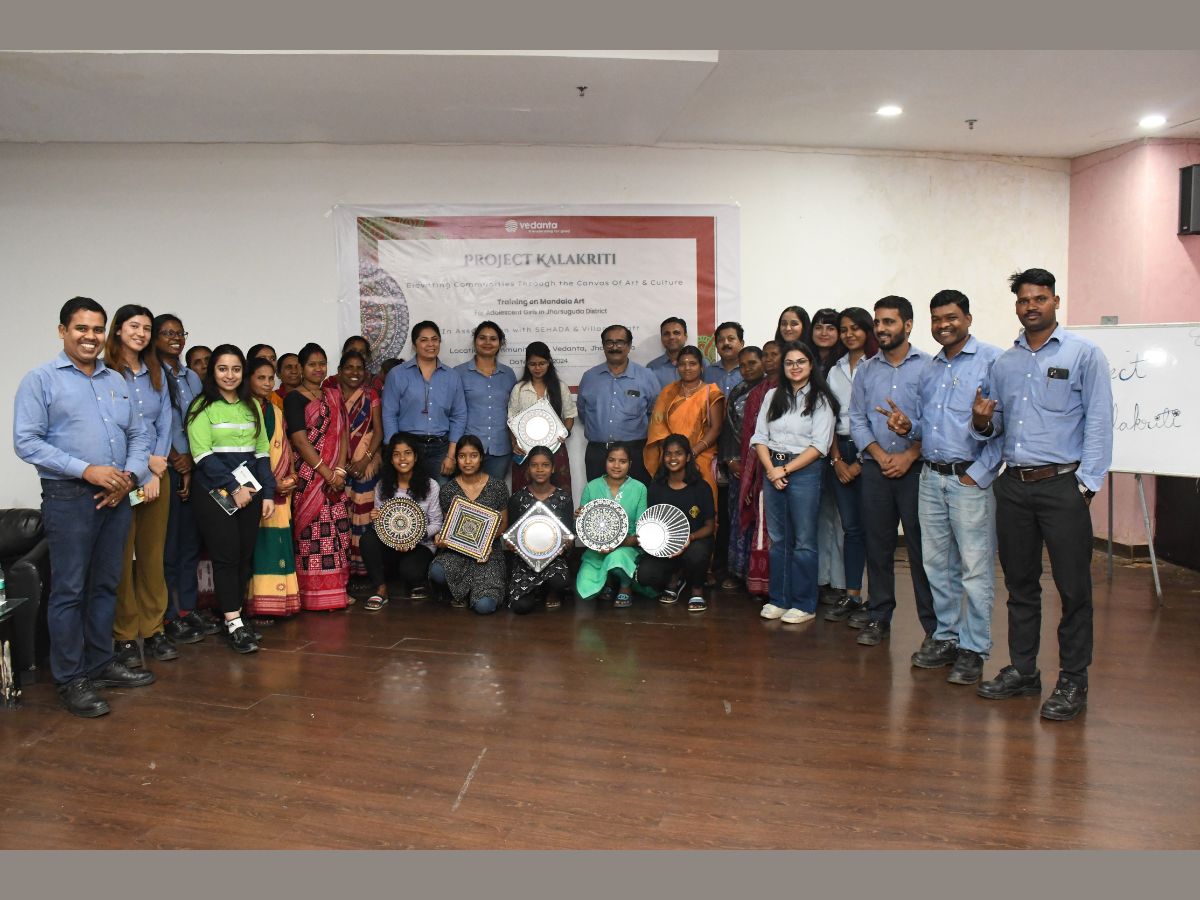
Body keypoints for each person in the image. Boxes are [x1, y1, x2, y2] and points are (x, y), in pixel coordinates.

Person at [974, 268, 1112, 721]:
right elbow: (994, 426)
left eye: (1039, 298)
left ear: (1056, 301)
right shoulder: (1004, 363)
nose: (1031, 306)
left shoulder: (1084, 354)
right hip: (1013, 486)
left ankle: (1073, 679)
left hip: (1062, 486)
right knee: (1020, 585)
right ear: (1016, 306)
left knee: (1073, 589)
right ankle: (1023, 670)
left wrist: (1087, 484)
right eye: (1023, 300)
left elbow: (1099, 420)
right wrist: (980, 423)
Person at [13, 297, 156, 717]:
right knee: (70, 591)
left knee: (106, 584)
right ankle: (71, 678)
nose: (90, 337)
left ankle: (100, 663)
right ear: (63, 331)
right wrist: (87, 470)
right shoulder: (41, 380)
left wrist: (129, 477)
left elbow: (140, 436)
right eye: (81, 328)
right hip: (69, 497)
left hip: (117, 496)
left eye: (97, 329)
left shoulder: (116, 380)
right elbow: (27, 441)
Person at [877, 290, 1004, 684]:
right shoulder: (931, 369)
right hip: (930, 478)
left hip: (969, 480)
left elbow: (1003, 427)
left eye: (951, 317)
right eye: (937, 319)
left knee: (974, 570)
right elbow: (928, 427)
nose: (943, 325)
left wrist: (980, 473)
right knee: (936, 565)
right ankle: (946, 637)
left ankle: (974, 648)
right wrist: (907, 428)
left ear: (968, 319)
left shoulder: (992, 361)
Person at [848, 296, 934, 648]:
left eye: (889, 322)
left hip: (917, 471)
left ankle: (933, 630)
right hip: (875, 470)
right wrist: (880, 454)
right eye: (878, 322)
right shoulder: (866, 370)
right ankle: (879, 616)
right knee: (878, 547)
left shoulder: (929, 367)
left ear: (908, 325)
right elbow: (857, 418)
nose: (881, 329)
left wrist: (910, 454)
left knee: (921, 550)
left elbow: (936, 420)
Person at [185, 344, 275, 654]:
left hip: (251, 492)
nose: (229, 375)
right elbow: (202, 454)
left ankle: (234, 616)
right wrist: (233, 487)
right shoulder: (201, 407)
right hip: (214, 492)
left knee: (243, 556)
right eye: (222, 369)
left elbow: (262, 452)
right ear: (213, 372)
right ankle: (234, 622)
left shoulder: (252, 406)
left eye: (235, 369)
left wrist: (267, 493)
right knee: (225, 556)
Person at [104, 305, 177, 667]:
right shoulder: (103, 373)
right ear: (118, 329)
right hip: (122, 477)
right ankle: (124, 636)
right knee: (121, 558)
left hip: (157, 476)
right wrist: (145, 465)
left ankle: (154, 629)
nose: (141, 333)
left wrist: (157, 469)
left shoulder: (156, 371)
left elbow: (165, 421)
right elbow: (110, 427)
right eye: (134, 326)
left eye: (147, 328)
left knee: (151, 556)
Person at [752, 342, 837, 624]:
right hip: (772, 468)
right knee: (779, 540)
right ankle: (779, 599)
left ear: (811, 365)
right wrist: (772, 471)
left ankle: (804, 604)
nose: (795, 367)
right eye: (789, 362)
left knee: (804, 542)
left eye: (801, 361)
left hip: (805, 470)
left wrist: (784, 470)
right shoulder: (772, 396)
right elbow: (759, 437)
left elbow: (820, 446)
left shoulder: (821, 399)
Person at [153, 314, 215, 643]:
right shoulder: (149, 373)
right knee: (166, 547)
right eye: (167, 333)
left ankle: (187, 609)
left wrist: (191, 461)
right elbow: (153, 423)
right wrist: (177, 457)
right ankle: (166, 615)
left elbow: (200, 421)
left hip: (195, 466)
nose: (175, 338)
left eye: (180, 333)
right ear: (154, 337)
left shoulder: (191, 377)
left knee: (190, 544)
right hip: (165, 468)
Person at [284, 343, 352, 611]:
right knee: (312, 535)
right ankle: (313, 594)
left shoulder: (333, 395)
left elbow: (342, 434)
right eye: (312, 364)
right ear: (301, 368)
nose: (318, 369)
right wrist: (326, 473)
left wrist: (340, 471)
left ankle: (337, 591)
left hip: (335, 475)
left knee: (338, 533)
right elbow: (300, 441)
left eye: (322, 364)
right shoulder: (294, 398)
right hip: (309, 476)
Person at [822, 308, 877, 624]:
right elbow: (828, 418)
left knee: (876, 530)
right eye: (844, 329)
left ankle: (877, 601)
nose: (849, 334)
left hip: (872, 451)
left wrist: (860, 463)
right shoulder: (835, 369)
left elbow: (877, 419)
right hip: (840, 450)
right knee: (851, 529)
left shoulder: (878, 364)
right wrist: (837, 460)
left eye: (856, 328)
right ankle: (853, 594)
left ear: (868, 330)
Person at [245, 356, 301, 619]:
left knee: (279, 543)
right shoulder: (243, 409)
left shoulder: (276, 411)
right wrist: (270, 483)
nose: (267, 383)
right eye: (261, 378)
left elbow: (285, 447)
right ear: (248, 379)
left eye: (270, 378)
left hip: (280, 489)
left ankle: (281, 603)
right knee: (260, 546)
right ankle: (260, 605)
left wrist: (290, 477)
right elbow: (247, 454)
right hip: (255, 489)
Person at [362, 432, 443, 611]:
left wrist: (414, 536)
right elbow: (380, 527)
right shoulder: (382, 486)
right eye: (396, 454)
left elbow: (437, 523)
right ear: (391, 460)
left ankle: (416, 581)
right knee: (367, 539)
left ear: (416, 457)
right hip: (391, 545)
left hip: (420, 545)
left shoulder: (431, 485)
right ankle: (381, 589)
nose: (402, 459)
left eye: (407, 453)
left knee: (410, 571)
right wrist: (376, 519)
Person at [635, 434, 716, 612]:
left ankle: (697, 589)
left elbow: (710, 527)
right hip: (665, 546)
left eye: (678, 453)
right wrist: (646, 539)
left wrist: (689, 538)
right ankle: (675, 578)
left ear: (687, 457)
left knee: (697, 554)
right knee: (645, 575)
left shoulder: (701, 487)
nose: (673, 458)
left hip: (694, 542)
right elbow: (652, 523)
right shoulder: (656, 487)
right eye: (668, 454)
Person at [430, 435, 509, 614]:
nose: (467, 461)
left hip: (488, 552)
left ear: (481, 457)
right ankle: (462, 593)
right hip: (457, 551)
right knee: (437, 572)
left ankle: (473, 594)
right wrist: (442, 539)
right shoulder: (448, 490)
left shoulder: (498, 486)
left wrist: (483, 543)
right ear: (456, 459)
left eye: (473, 456)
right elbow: (448, 527)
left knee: (484, 607)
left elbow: (504, 524)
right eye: (462, 456)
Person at [382, 321, 467, 485]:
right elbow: (389, 414)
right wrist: (396, 451)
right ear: (414, 344)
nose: (430, 344)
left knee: (441, 496)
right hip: (407, 449)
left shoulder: (452, 376)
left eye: (434, 339)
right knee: (407, 496)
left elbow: (459, 416)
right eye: (424, 340)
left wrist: (451, 455)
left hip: (440, 450)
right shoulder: (397, 374)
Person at [645, 345, 725, 511]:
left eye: (692, 363)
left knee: (702, 507)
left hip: (701, 458)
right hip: (671, 460)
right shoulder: (668, 392)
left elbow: (716, 428)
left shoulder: (711, 392)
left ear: (701, 367)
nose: (687, 368)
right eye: (682, 364)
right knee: (670, 506)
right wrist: (674, 454)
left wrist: (692, 453)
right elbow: (658, 427)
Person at [576, 324, 659, 484]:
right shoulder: (589, 377)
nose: (614, 347)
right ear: (603, 346)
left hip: (635, 453)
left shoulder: (646, 376)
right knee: (599, 498)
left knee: (635, 497)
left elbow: (654, 413)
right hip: (598, 453)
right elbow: (583, 412)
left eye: (620, 342)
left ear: (629, 345)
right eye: (610, 342)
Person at [575, 443, 648, 608]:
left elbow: (641, 533)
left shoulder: (640, 488)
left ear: (630, 464)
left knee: (616, 559)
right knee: (584, 589)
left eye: (622, 461)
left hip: (626, 547)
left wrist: (617, 543)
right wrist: (579, 518)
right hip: (596, 550)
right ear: (605, 461)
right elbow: (580, 529)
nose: (616, 465)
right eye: (611, 460)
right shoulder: (591, 487)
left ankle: (625, 586)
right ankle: (607, 581)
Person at [504, 446, 574, 614]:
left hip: (554, 559)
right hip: (525, 560)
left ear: (553, 468)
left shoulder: (563, 498)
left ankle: (551, 591)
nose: (540, 469)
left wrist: (567, 544)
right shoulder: (517, 498)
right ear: (528, 468)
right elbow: (510, 534)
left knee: (559, 582)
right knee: (520, 607)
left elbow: (569, 535)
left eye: (545, 465)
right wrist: (510, 544)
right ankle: (536, 590)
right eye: (534, 465)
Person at [810, 308, 848, 605]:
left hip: (840, 448)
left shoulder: (844, 364)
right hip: (810, 451)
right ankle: (822, 579)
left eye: (830, 327)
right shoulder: (805, 361)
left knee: (842, 518)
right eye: (819, 327)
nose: (824, 333)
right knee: (821, 517)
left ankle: (842, 582)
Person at [737, 340, 781, 598]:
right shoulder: (756, 394)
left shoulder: (791, 389)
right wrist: (750, 473)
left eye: (775, 354)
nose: (769, 359)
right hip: (760, 469)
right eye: (766, 355)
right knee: (763, 524)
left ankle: (783, 585)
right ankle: (761, 584)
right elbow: (748, 439)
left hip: (790, 466)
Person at [336, 349, 384, 583]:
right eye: (349, 367)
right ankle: (342, 570)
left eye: (359, 368)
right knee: (341, 517)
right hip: (337, 466)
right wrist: (341, 464)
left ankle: (363, 571)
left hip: (365, 467)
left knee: (364, 516)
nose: (354, 372)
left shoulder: (370, 395)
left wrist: (365, 460)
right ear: (339, 371)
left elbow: (378, 431)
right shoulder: (331, 395)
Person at [720, 345, 764, 589]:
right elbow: (727, 429)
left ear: (763, 363)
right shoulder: (737, 391)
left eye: (752, 363)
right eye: (743, 365)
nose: (747, 369)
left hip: (765, 467)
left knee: (761, 519)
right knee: (738, 518)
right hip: (739, 467)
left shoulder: (772, 390)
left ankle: (760, 576)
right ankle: (738, 572)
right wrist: (730, 460)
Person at [508, 340, 576, 498]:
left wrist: (564, 433)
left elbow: (570, 415)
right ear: (527, 364)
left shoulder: (560, 387)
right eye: (532, 364)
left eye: (541, 363)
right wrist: (514, 443)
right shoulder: (519, 389)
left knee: (559, 494)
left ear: (549, 362)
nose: (537, 368)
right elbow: (511, 420)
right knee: (523, 495)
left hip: (555, 450)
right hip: (525, 451)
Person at [457, 321, 518, 481]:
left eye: (493, 339)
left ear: (500, 343)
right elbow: (454, 414)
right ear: (475, 341)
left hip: (500, 449)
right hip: (468, 450)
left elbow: (513, 411)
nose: (487, 342)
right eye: (482, 338)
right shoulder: (459, 373)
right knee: (467, 494)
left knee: (494, 494)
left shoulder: (508, 374)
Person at [646, 317, 689, 390]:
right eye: (666, 334)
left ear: (685, 337)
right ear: (661, 338)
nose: (671, 337)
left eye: (676, 333)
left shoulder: (701, 363)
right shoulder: (652, 368)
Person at [705, 321, 746, 396]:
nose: (726, 343)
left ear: (742, 343)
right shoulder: (708, 372)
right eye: (721, 340)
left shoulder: (751, 371)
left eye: (731, 339)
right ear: (716, 346)